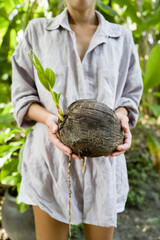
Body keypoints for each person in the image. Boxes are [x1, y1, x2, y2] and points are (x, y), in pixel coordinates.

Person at [11, 0, 143, 239]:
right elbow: (23, 95)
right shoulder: (37, 31)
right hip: (50, 161)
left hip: (104, 163)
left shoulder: (121, 37)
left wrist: (122, 118)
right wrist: (51, 119)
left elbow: (129, 96)